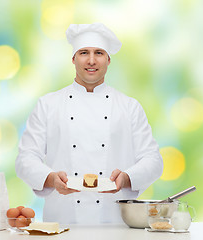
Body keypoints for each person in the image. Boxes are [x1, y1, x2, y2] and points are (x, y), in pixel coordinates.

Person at [15, 23, 163, 225]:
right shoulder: (48, 105)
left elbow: (153, 161)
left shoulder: (129, 107)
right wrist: (50, 178)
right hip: (62, 223)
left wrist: (127, 177)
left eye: (99, 53)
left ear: (108, 60)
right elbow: (25, 159)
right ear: (73, 58)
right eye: (84, 52)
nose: (91, 60)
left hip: (115, 224)